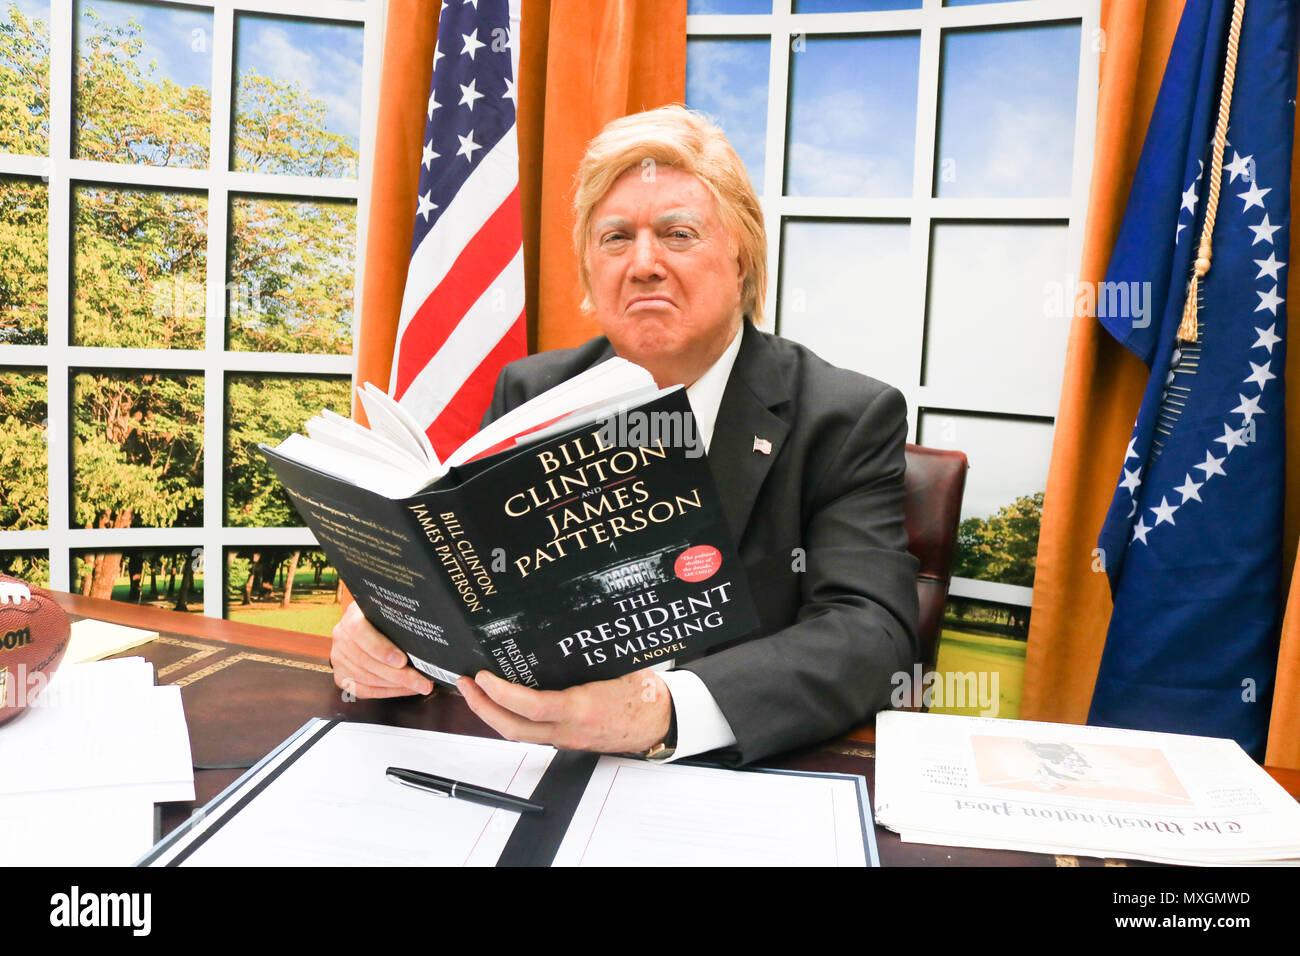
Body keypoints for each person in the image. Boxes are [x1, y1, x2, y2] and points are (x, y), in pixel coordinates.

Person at [330, 106, 920, 765]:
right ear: (589, 269)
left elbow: (873, 636)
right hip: (525, 759)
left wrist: (661, 713)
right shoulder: (531, 392)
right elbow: (473, 592)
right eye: (616, 238)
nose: (644, 264)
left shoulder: (845, 418)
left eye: (678, 234)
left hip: (730, 781)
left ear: (742, 256)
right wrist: (387, 627)